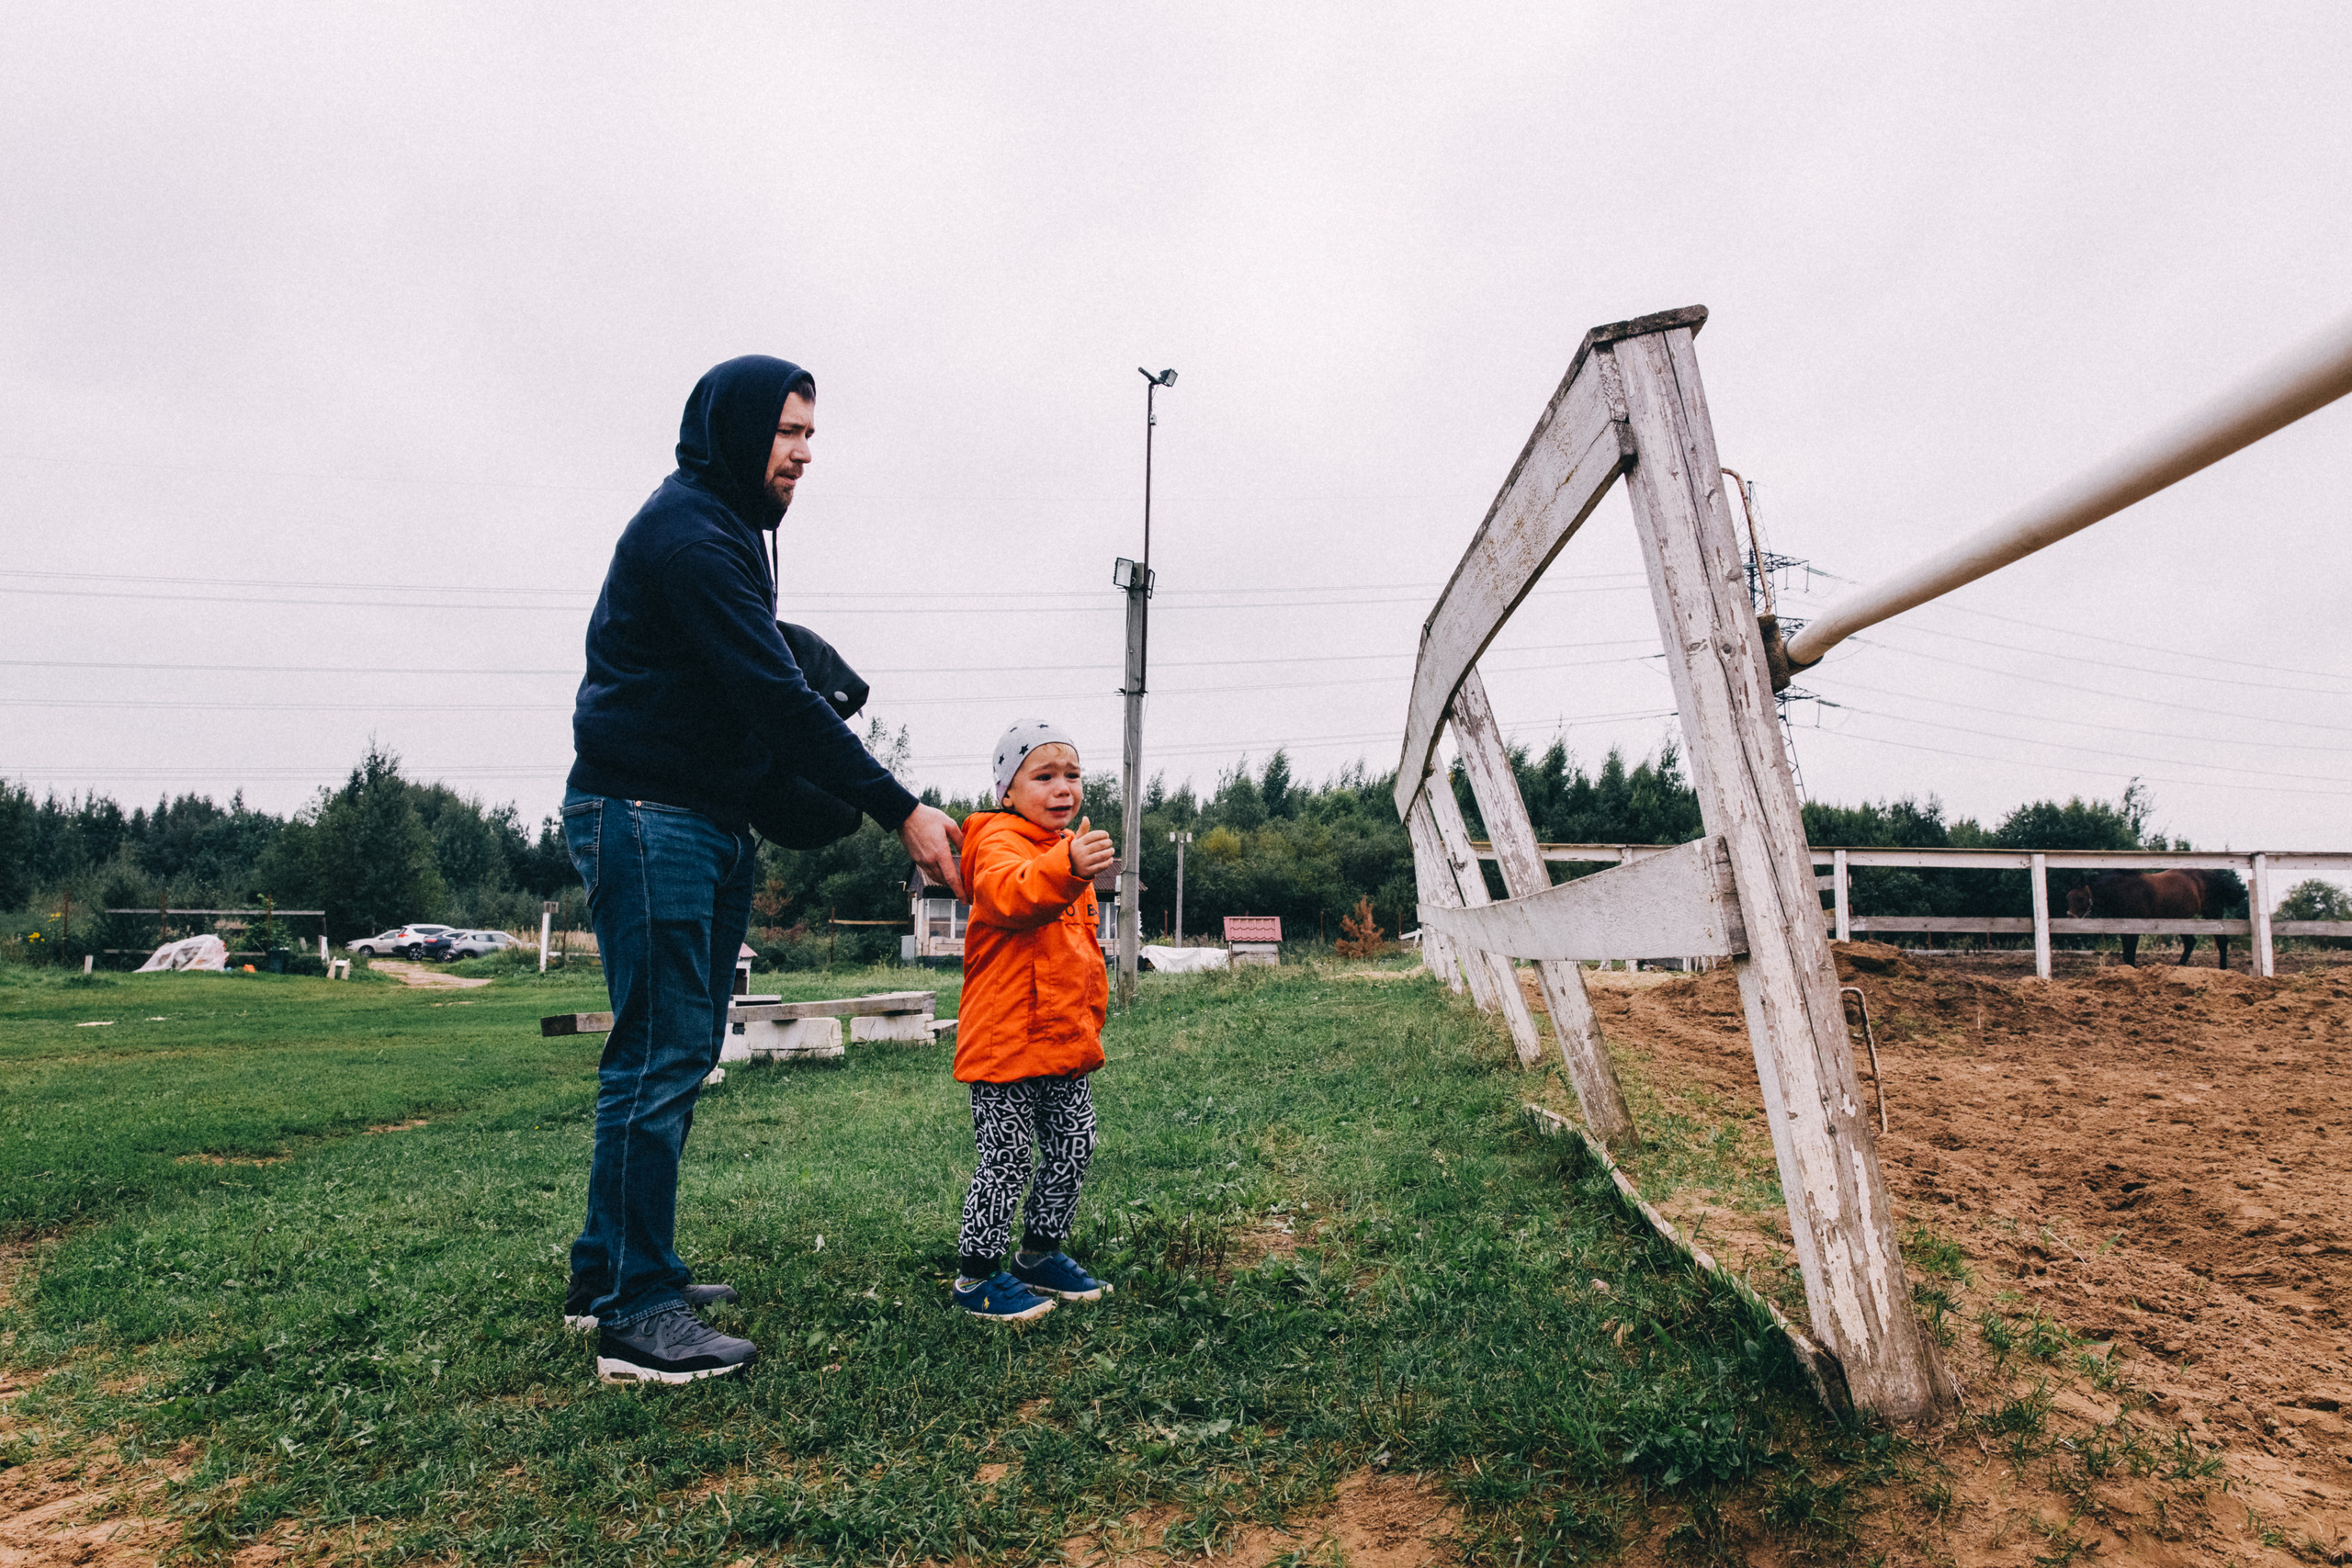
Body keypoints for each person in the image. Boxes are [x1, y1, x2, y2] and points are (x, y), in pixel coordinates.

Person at [561, 355, 964, 1383]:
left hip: (700, 815)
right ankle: (636, 1317)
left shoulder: (730, 529)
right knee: (657, 1055)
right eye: (788, 432)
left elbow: (751, 671)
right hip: (647, 816)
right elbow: (773, 698)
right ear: (736, 432)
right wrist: (900, 808)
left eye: (811, 435)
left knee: (681, 1046)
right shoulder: (694, 536)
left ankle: (607, 1274)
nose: (803, 453)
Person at [948, 721, 1117, 1321]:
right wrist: (1068, 864)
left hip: (1062, 1042)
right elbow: (1013, 895)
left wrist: (1087, 1023)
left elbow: (1079, 956)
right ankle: (975, 1276)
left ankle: (1038, 1253)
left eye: (1072, 774)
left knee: (1074, 1145)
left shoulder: (1066, 848)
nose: (1062, 787)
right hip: (1006, 1044)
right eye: (1043, 776)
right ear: (1006, 791)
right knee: (1009, 1157)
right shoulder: (998, 842)